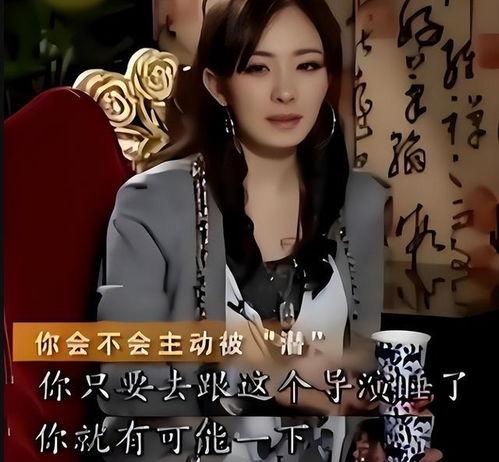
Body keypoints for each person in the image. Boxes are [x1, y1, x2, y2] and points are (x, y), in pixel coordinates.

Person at [97, 0, 389, 460]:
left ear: (328, 78)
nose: (286, 92)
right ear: (217, 86)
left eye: (307, 65)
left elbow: (362, 365)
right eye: (257, 68)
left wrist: (375, 436)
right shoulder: (153, 205)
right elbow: (122, 382)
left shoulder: (361, 202)